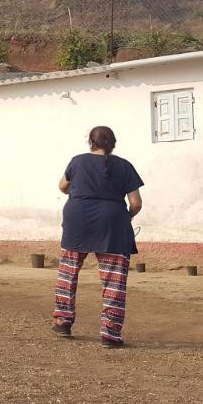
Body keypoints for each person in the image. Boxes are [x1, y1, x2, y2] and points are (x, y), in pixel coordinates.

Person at [53, 126, 143, 346]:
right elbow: (136, 203)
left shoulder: (77, 161)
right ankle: (110, 335)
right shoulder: (124, 166)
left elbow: (62, 186)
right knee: (113, 280)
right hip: (112, 223)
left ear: (90, 143)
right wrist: (126, 217)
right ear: (113, 145)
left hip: (77, 220)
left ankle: (62, 323)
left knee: (68, 273)